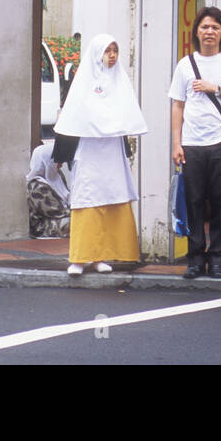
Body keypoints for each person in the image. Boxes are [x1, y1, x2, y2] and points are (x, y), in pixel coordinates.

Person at [53, 34, 147, 276]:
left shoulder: (120, 81)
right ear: (97, 54)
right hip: (90, 149)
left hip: (112, 149)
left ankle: (101, 256)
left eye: (115, 49)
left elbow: (126, 113)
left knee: (111, 197)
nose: (112, 55)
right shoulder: (84, 82)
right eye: (107, 50)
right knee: (87, 197)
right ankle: (79, 257)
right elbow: (73, 117)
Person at [168, 7, 221, 279]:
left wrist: (216, 88)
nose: (209, 32)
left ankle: (217, 260)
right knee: (193, 204)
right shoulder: (185, 64)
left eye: (215, 27)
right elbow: (177, 106)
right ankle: (194, 259)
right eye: (205, 27)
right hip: (191, 144)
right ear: (197, 32)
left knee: (220, 203)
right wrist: (176, 144)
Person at [26, 141, 71, 238]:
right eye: (57, 161)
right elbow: (57, 211)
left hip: (63, 215)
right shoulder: (36, 186)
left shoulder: (58, 176)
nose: (60, 165)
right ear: (47, 161)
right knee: (74, 221)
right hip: (44, 225)